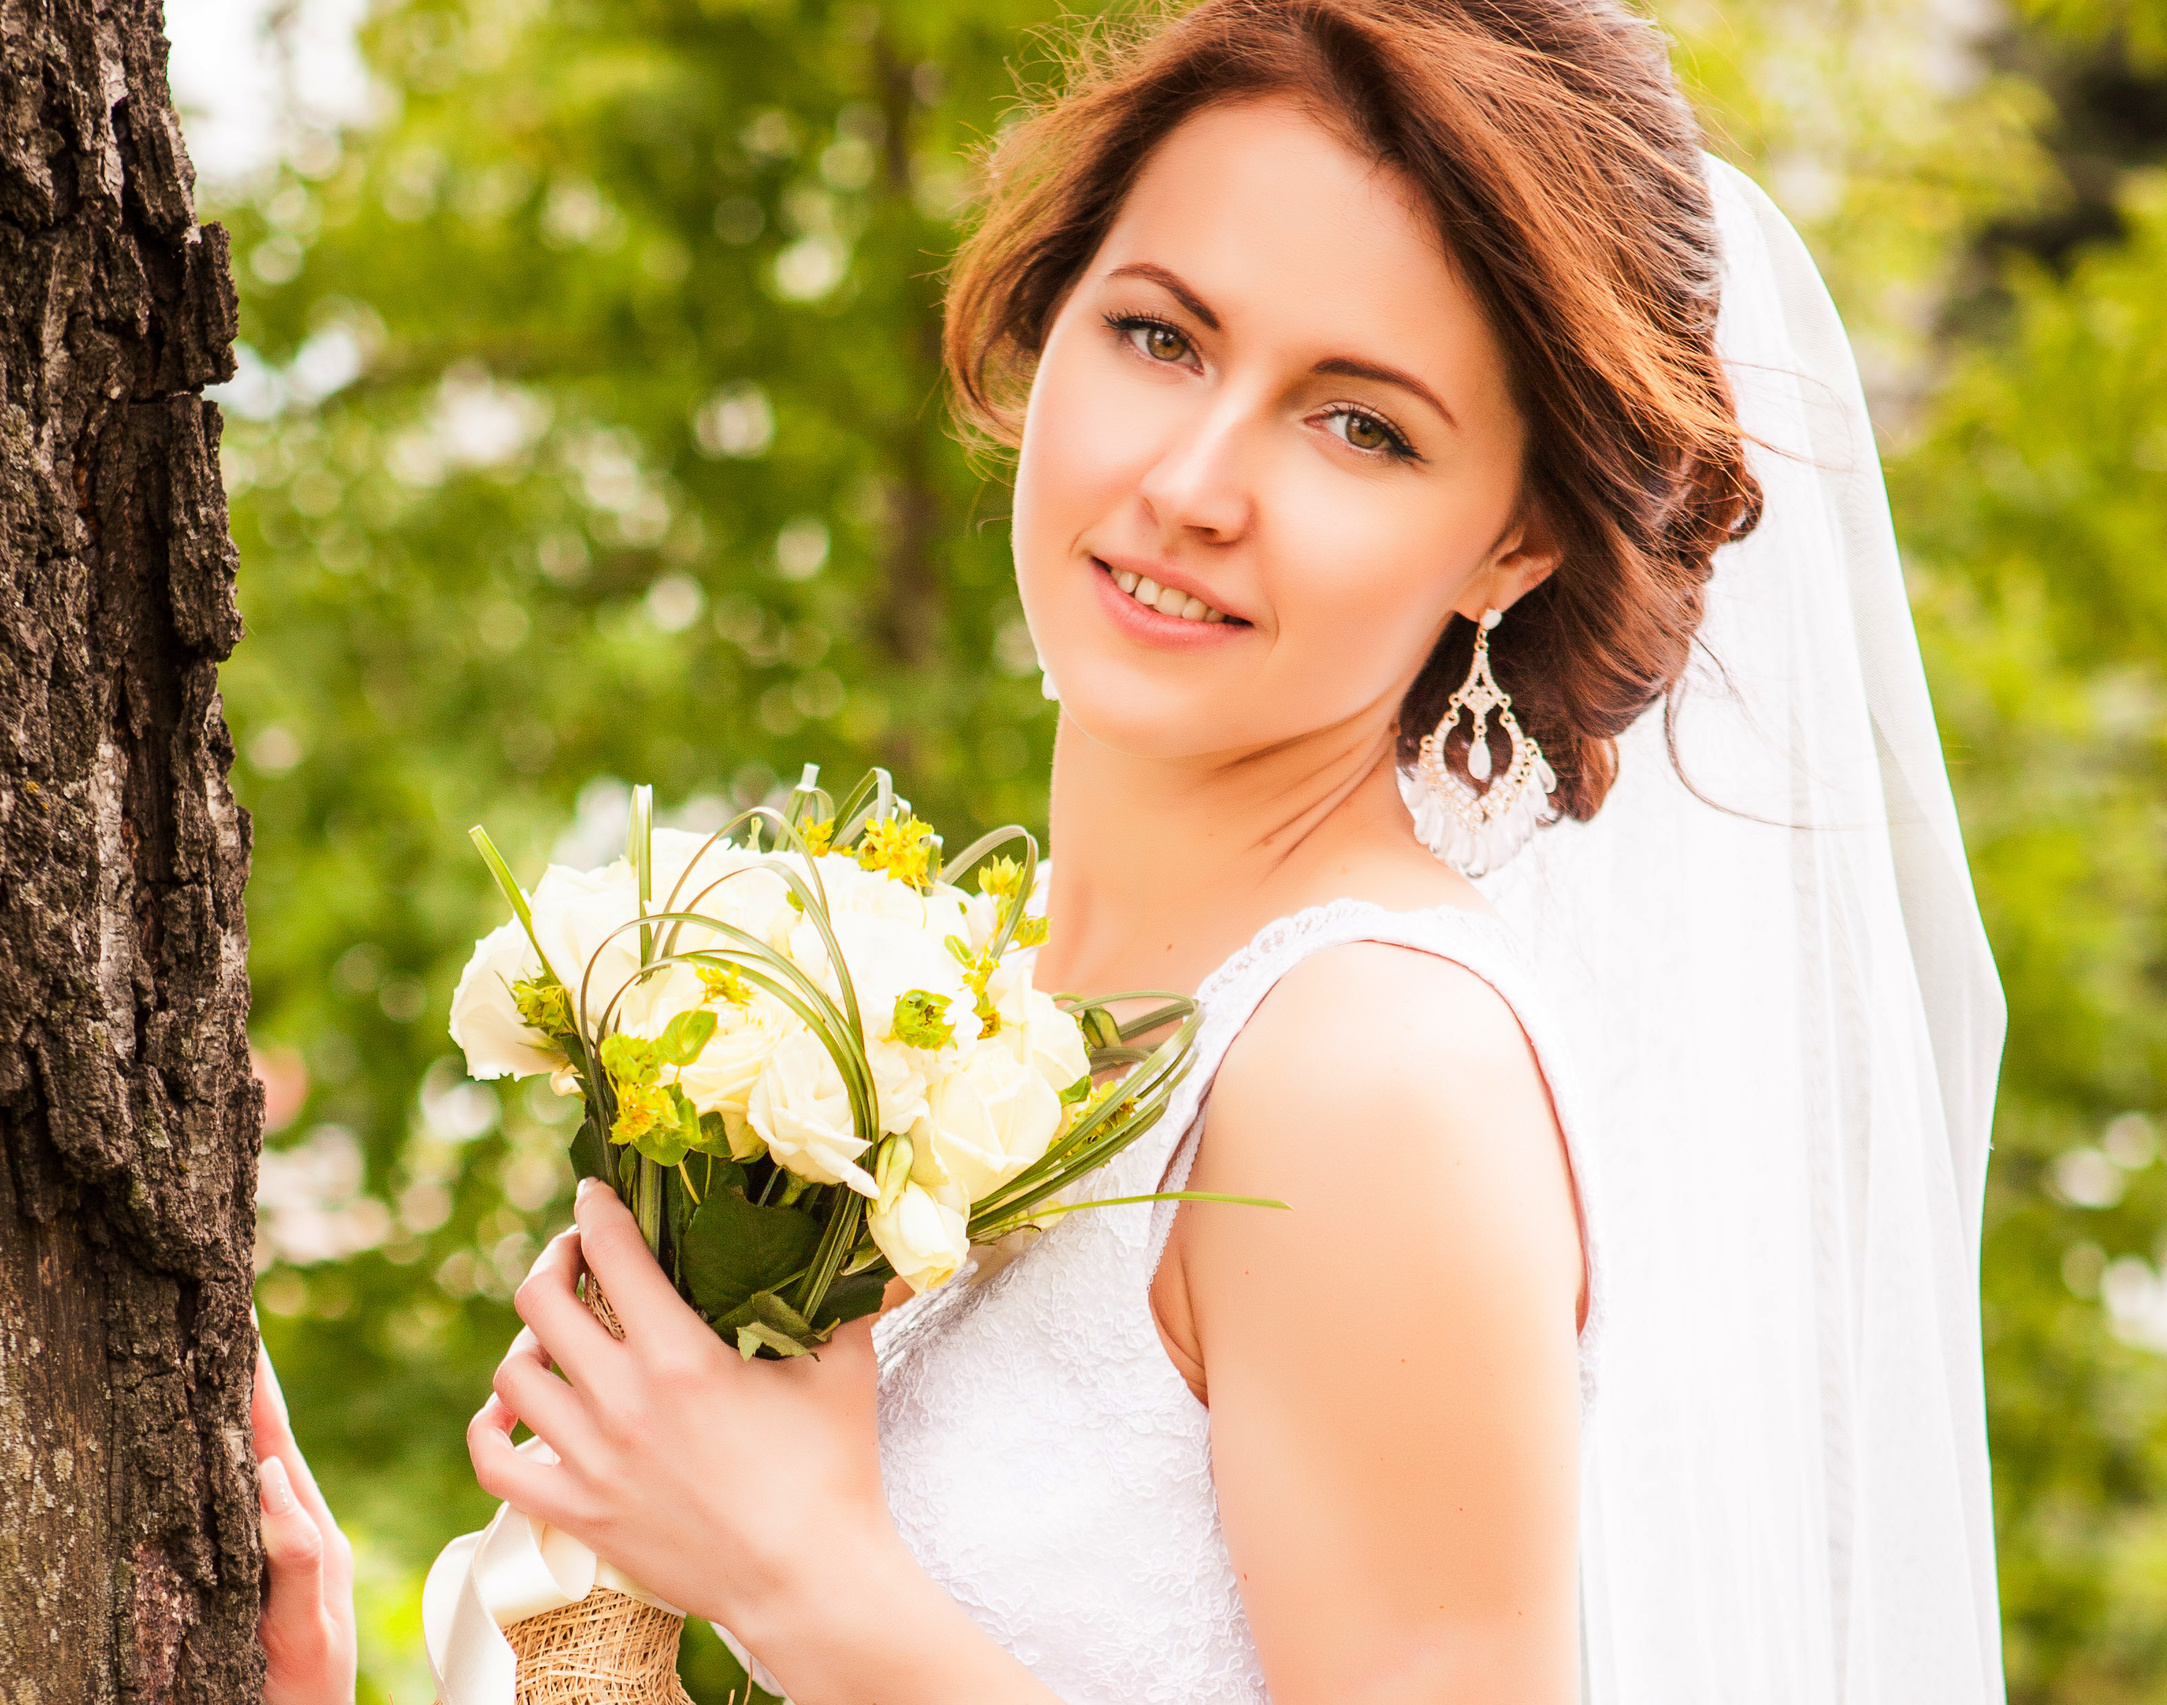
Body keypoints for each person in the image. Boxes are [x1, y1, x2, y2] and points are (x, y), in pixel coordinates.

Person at [260, 0, 2010, 1699]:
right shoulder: (967, 1010)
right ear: (1050, 324)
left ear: (1517, 541)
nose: (1193, 478)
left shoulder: (1367, 1069)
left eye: (1360, 424)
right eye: (1161, 335)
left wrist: (804, 1577)